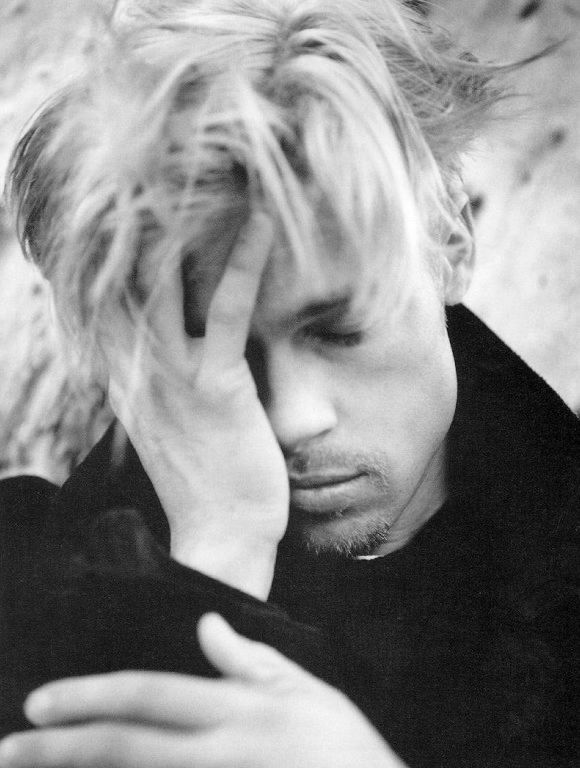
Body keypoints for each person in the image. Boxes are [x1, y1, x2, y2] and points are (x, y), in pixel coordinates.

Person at [0, 1, 578, 766]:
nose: (294, 418)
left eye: (338, 330)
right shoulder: (21, 584)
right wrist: (214, 561)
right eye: (225, 354)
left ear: (450, 244)